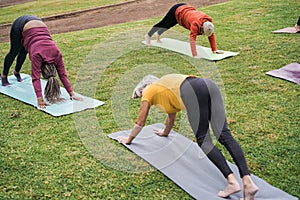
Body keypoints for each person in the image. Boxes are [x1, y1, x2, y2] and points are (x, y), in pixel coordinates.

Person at [118, 74, 259, 200]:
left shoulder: (150, 89)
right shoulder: (166, 89)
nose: (142, 96)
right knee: (224, 134)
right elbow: (171, 118)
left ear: (147, 85)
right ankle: (248, 184)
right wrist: (165, 132)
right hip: (208, 85)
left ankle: (232, 182)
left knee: (203, 139)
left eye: (140, 92)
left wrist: (128, 140)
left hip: (192, 90)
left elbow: (140, 122)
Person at [1, 15, 81, 108]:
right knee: (14, 51)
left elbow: (62, 75)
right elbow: (36, 78)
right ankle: (4, 76)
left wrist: (72, 94)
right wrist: (40, 99)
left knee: (24, 51)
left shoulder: (57, 54)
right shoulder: (37, 56)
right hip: (20, 24)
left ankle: (16, 72)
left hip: (38, 26)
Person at [144, 3, 224, 58]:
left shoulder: (208, 24)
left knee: (170, 25)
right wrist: (195, 55)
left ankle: (158, 34)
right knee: (163, 23)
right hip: (177, 9)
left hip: (185, 10)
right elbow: (192, 40)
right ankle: (148, 36)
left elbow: (211, 36)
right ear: (202, 28)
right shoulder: (195, 25)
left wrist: (214, 50)